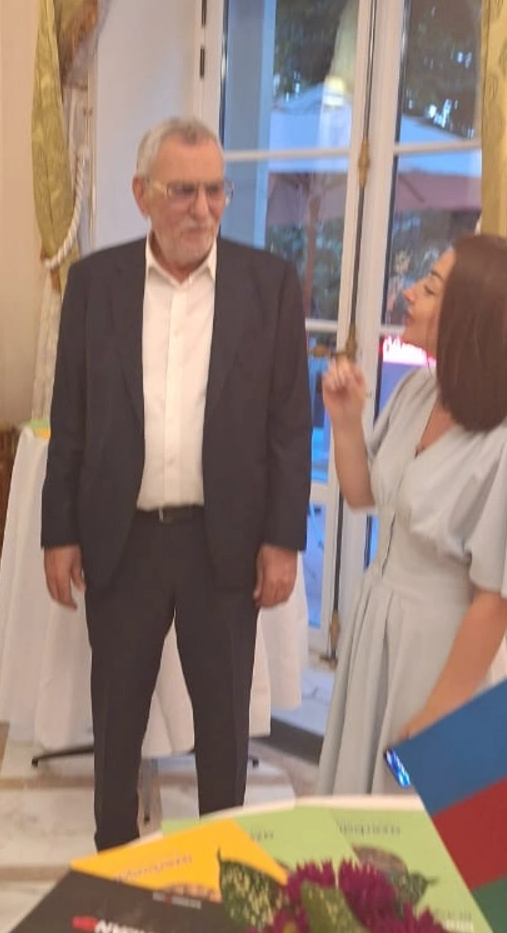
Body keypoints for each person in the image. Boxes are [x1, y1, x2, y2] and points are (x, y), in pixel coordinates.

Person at [41, 116, 312, 850]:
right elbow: (70, 418)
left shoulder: (268, 285)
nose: (203, 209)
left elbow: (290, 427)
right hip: (122, 540)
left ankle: (220, 859)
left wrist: (283, 540)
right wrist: (59, 532)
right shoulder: (96, 284)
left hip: (223, 545)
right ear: (142, 194)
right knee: (116, 716)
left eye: (216, 190)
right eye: (183, 191)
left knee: (223, 724)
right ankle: (115, 856)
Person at [317, 233, 507, 796]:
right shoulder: (419, 390)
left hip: (442, 652)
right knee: (357, 811)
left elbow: (497, 597)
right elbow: (363, 495)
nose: (409, 293)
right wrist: (346, 421)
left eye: (430, 287)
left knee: (414, 817)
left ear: (471, 315)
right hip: (377, 625)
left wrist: (440, 710)